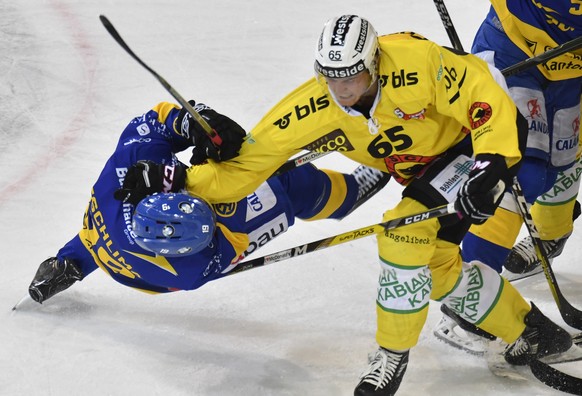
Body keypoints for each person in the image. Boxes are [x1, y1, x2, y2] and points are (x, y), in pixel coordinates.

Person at [114, 15, 575, 395]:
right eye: (331, 78)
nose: (343, 90)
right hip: (428, 172)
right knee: (433, 267)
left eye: (353, 76)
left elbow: (483, 92)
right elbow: (247, 168)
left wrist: (491, 162)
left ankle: (392, 354)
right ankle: (531, 330)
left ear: (374, 62)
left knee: (403, 233)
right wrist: (181, 179)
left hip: (477, 147)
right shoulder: (314, 104)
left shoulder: (415, 61)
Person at [28, 100, 389, 303]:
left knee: (97, 238)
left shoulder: (124, 172)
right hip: (154, 276)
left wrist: (197, 124)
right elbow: (235, 237)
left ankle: (67, 265)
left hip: (118, 248)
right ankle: (347, 196)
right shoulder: (193, 267)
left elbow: (156, 120)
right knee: (286, 187)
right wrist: (235, 174)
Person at [434, 0, 582, 351]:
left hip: (574, 62)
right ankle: (471, 299)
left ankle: (549, 236)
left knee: (559, 164)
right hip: (512, 46)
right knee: (521, 170)